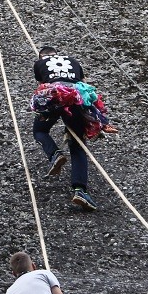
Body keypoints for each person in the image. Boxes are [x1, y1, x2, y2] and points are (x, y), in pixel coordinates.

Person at [31, 47, 113, 211]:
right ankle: (80, 190)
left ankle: (55, 154)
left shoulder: (39, 63)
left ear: (42, 56)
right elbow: (83, 82)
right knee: (77, 145)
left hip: (55, 96)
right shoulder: (73, 61)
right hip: (76, 97)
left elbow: (42, 86)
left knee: (40, 130)